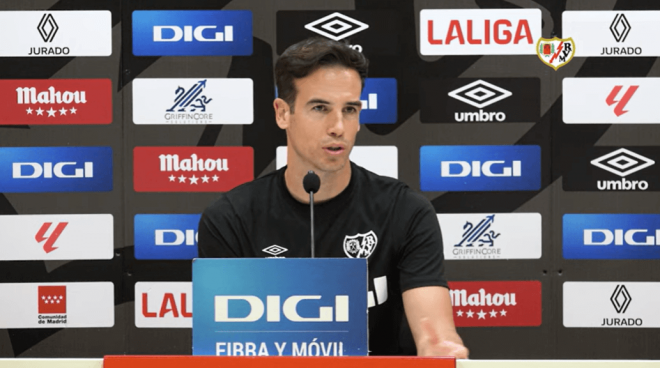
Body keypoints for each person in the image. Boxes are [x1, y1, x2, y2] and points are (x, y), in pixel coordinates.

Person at [198, 37, 468, 358]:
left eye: (350, 110)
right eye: (320, 108)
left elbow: (434, 334)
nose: (338, 127)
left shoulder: (406, 211)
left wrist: (441, 349)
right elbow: (229, 349)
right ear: (283, 113)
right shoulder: (230, 219)